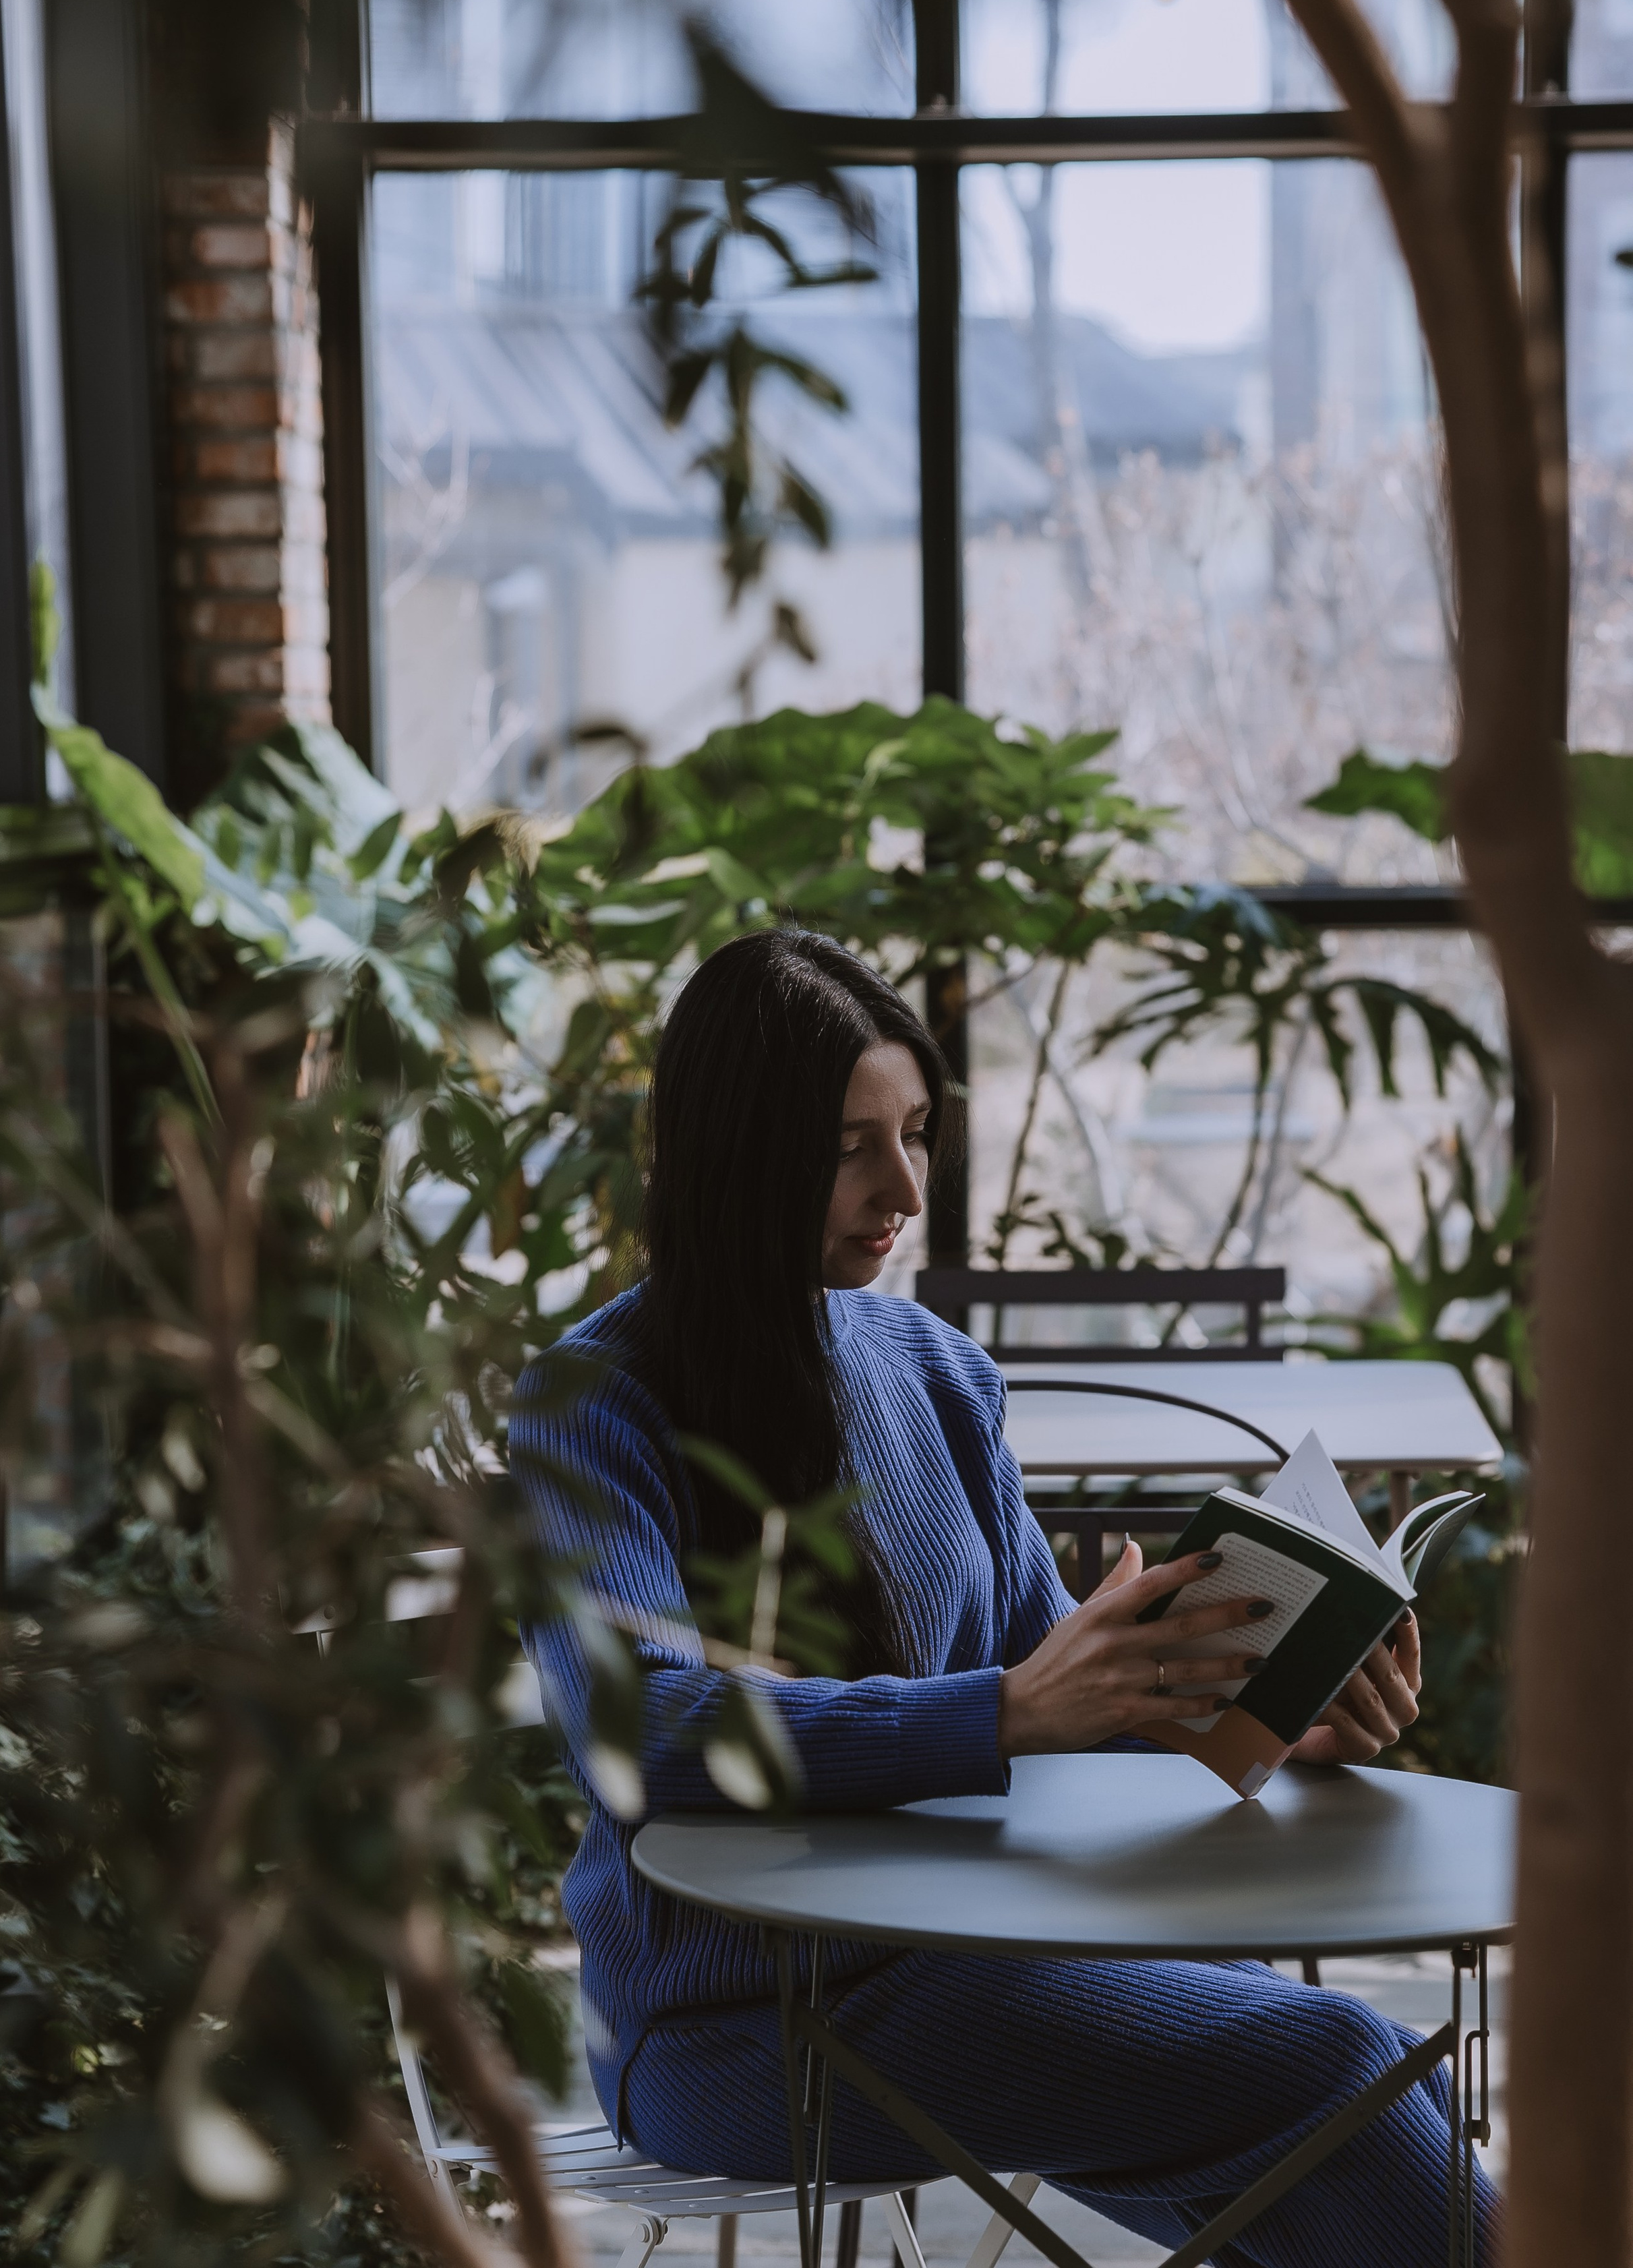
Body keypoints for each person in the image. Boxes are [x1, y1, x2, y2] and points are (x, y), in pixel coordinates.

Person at [510, 930, 1487, 2267]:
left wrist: (1269, 1714)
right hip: (736, 2028)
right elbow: (647, 1731)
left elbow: (1058, 1682)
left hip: (977, 1949)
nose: (902, 1184)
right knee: (1331, 2064)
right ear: (740, 1146)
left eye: (914, 1132)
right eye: (850, 1144)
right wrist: (1011, 1708)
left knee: (1367, 2077)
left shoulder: (937, 1371)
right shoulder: (593, 1404)